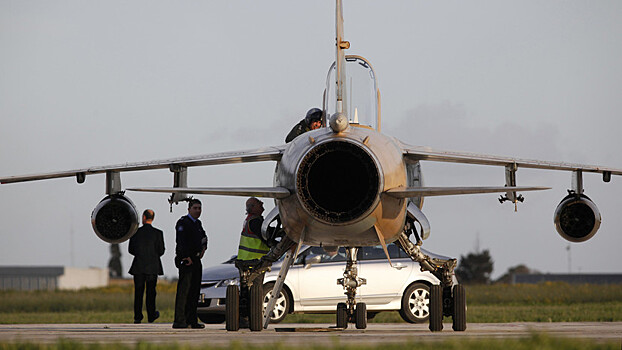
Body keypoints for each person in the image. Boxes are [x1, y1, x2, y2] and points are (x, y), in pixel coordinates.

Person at [235, 197, 272, 328]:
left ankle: (243, 319)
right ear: (252, 207)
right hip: (254, 262)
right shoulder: (255, 221)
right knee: (255, 292)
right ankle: (250, 319)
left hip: (245, 260)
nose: (262, 204)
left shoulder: (249, 220)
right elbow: (267, 237)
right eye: (259, 203)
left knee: (245, 291)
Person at [172, 199, 207, 329]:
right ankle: (179, 320)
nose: (198, 211)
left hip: (196, 260)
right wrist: (186, 256)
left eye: (199, 208)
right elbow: (181, 241)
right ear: (189, 209)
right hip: (187, 261)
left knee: (194, 292)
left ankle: (192, 320)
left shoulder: (198, 224)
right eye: (195, 208)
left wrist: (204, 249)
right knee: (184, 292)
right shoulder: (183, 223)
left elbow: (204, 238)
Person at [128, 209, 165, 324]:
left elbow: (131, 250)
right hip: (153, 267)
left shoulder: (135, 232)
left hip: (138, 267)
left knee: (138, 293)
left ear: (144, 217)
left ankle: (137, 317)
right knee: (151, 293)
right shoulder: (158, 233)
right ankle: (151, 315)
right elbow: (161, 250)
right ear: (152, 218)